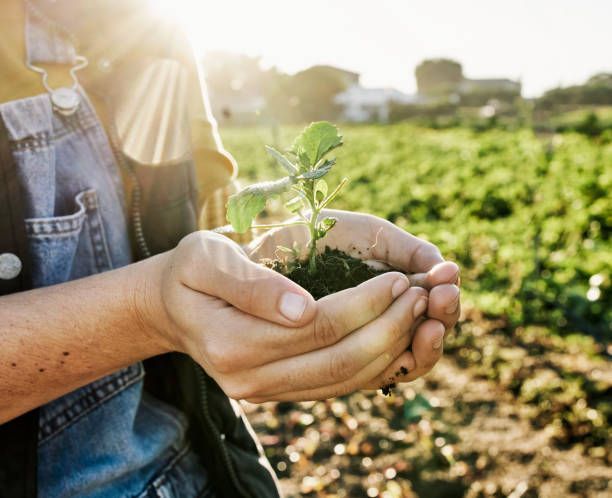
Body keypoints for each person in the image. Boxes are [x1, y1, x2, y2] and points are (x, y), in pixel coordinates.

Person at [0, 1, 461, 497]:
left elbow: (200, 240)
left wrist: (256, 265)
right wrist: (153, 310)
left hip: (199, 471)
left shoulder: (150, 34)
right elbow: (166, 291)